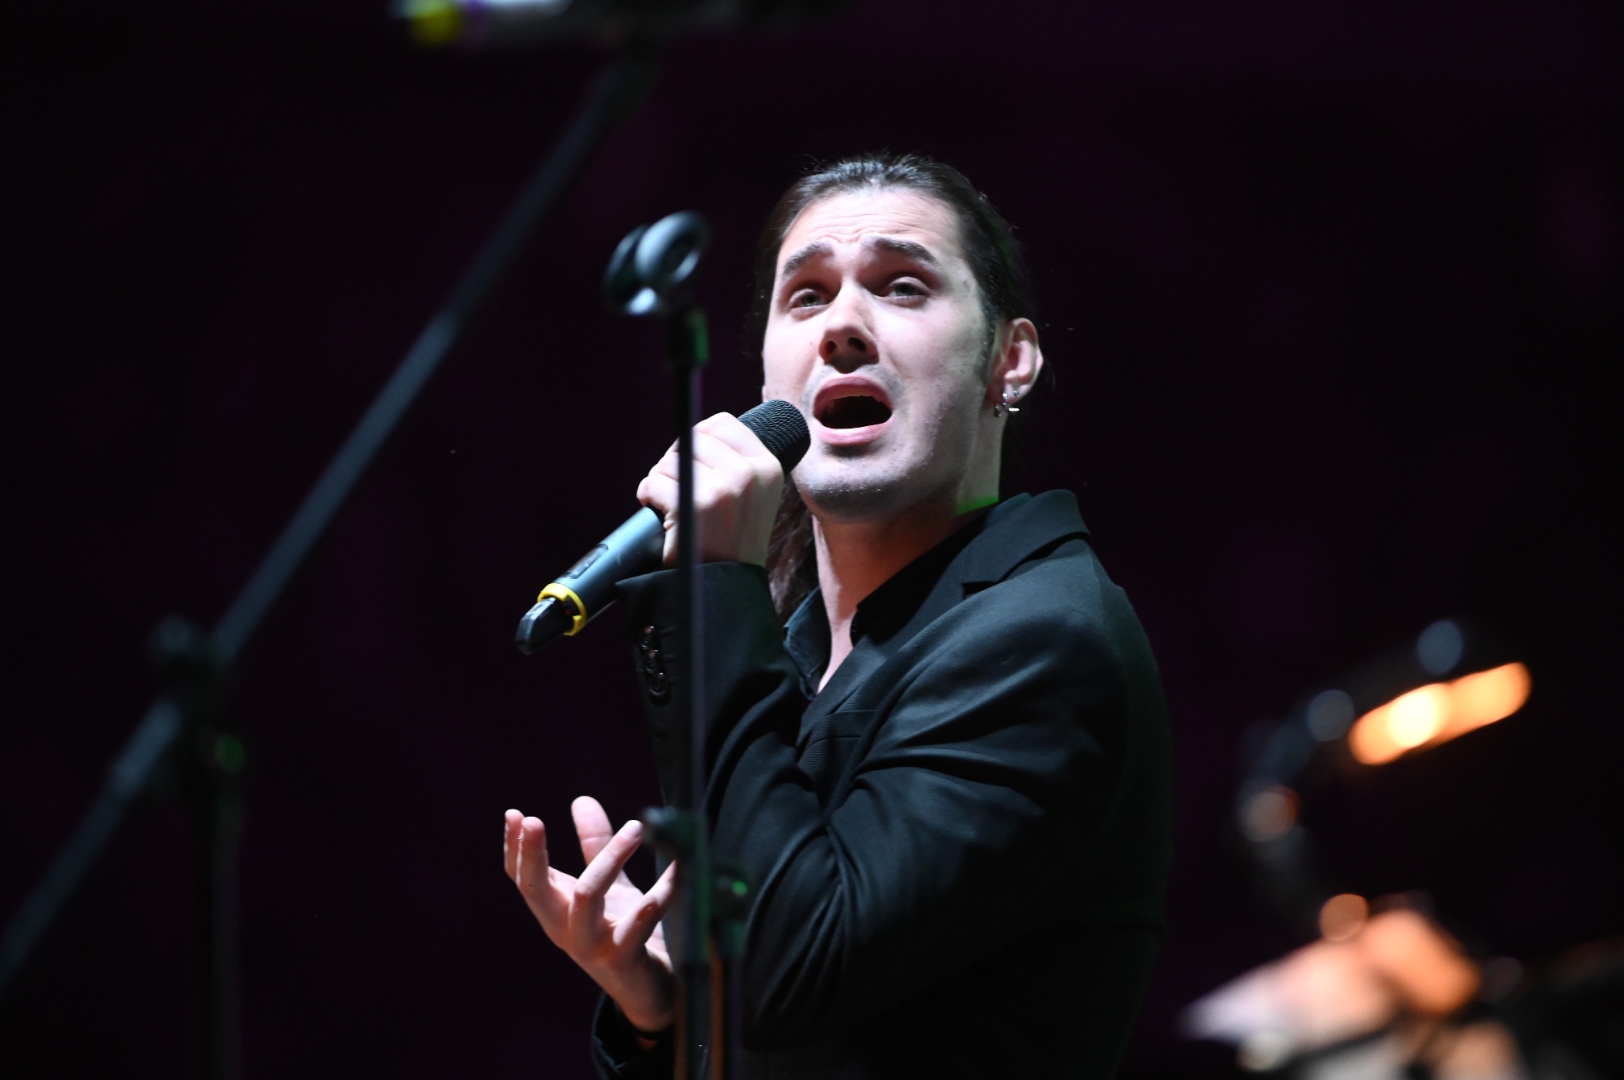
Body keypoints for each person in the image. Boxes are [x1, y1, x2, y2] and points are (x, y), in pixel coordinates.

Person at [501, 154, 1173, 1079]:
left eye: (902, 286)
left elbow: (795, 969)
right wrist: (664, 1012)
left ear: (1008, 361)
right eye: (806, 296)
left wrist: (709, 584)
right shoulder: (792, 638)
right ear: (767, 375)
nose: (843, 325)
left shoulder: (1044, 640)